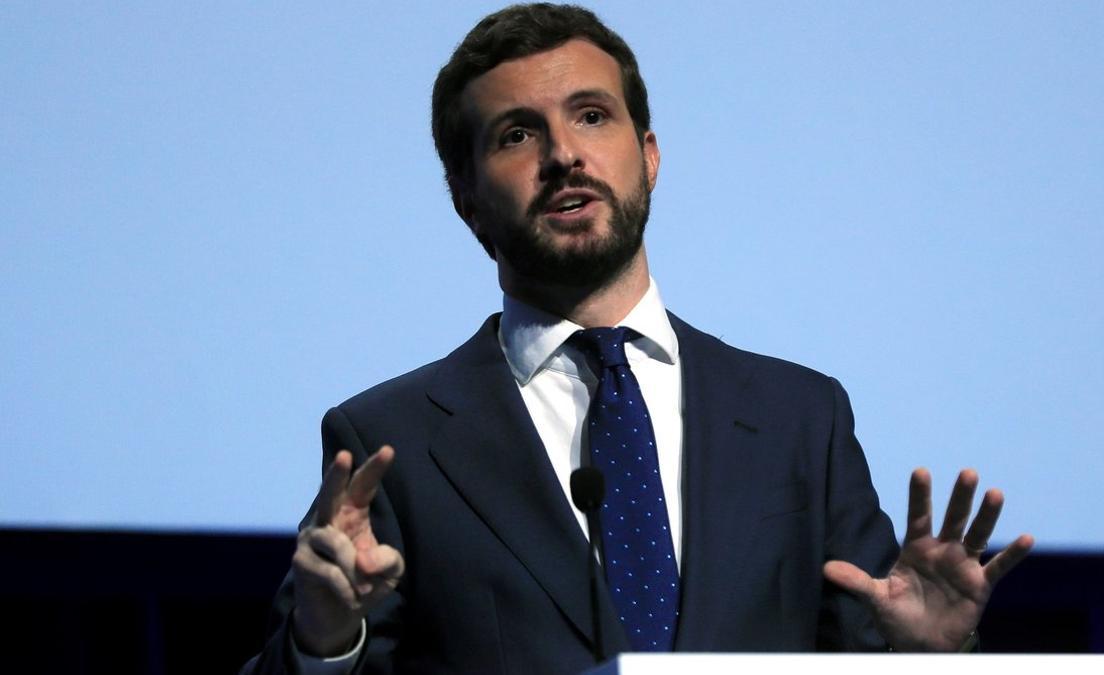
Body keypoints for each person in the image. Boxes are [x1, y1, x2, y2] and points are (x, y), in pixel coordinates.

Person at [243, 4, 1033, 673]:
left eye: (591, 115)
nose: (563, 156)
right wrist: (325, 635)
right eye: (517, 135)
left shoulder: (801, 416)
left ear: (648, 157)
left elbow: (857, 650)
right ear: (467, 200)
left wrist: (931, 652)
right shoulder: (395, 439)